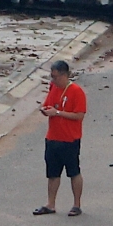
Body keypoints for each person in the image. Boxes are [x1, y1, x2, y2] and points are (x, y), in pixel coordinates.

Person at [33, 60, 86, 217]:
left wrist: (58, 113)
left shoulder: (76, 92)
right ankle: (50, 203)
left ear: (64, 75)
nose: (52, 80)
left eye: (55, 77)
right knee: (53, 173)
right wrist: (45, 110)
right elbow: (48, 104)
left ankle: (76, 204)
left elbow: (79, 115)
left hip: (70, 139)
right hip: (53, 137)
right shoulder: (53, 87)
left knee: (73, 172)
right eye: (51, 76)